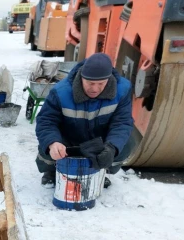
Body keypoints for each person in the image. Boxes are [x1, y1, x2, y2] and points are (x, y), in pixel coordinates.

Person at [35, 53, 134, 188]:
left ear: (109, 79)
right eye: (90, 83)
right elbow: (46, 121)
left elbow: (122, 122)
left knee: (126, 143)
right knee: (46, 142)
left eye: (101, 83)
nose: (95, 88)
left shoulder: (122, 90)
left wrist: (111, 147)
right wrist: (53, 143)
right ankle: (52, 172)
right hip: (69, 141)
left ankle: (99, 171)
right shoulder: (61, 91)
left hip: (99, 142)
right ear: (81, 77)